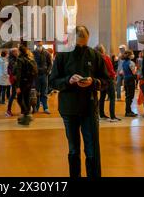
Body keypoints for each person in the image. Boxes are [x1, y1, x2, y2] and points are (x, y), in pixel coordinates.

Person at [50, 26, 110, 178]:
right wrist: (68, 80)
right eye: (78, 44)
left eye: (84, 44)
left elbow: (107, 81)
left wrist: (94, 82)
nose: (81, 47)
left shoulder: (95, 55)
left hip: (89, 108)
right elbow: (53, 82)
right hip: (69, 109)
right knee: (74, 149)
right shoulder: (62, 55)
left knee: (92, 149)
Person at [14, 44, 37, 126]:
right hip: (29, 82)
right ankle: (27, 116)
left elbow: (19, 73)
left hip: (22, 82)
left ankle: (26, 114)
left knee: (19, 99)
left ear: (20, 51)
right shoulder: (30, 58)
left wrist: (17, 86)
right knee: (27, 98)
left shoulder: (20, 59)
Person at [95, 45, 120, 122]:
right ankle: (112, 117)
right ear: (103, 50)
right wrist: (114, 77)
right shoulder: (106, 57)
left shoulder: (95, 59)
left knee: (102, 97)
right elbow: (110, 68)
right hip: (109, 79)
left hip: (101, 80)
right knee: (112, 97)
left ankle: (101, 115)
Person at [33, 41, 53, 114]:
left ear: (42, 45)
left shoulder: (46, 53)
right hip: (36, 75)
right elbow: (31, 63)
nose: (39, 46)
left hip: (44, 75)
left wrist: (47, 71)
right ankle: (36, 107)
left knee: (44, 92)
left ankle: (45, 108)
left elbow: (50, 64)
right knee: (37, 92)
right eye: (38, 45)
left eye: (40, 45)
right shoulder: (33, 53)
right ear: (36, 45)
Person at [122, 50, 138, 117]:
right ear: (130, 55)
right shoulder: (131, 63)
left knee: (127, 96)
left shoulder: (123, 62)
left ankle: (128, 110)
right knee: (130, 96)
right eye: (132, 54)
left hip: (125, 79)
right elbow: (134, 72)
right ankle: (128, 112)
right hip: (131, 80)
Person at [6, 48, 19, 117]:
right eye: (16, 51)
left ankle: (24, 110)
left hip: (15, 79)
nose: (17, 52)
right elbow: (14, 70)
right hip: (15, 79)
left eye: (17, 51)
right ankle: (8, 110)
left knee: (15, 94)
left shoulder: (15, 59)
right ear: (13, 53)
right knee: (13, 94)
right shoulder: (12, 60)